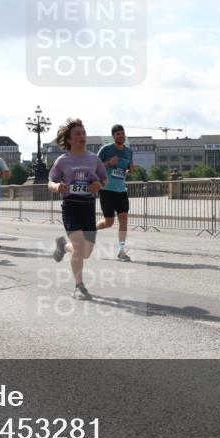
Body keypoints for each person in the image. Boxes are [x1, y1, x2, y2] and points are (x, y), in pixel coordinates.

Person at [48, 118, 107, 301]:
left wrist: (99, 184)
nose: (82, 136)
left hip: (88, 207)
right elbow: (50, 181)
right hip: (71, 206)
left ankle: (63, 246)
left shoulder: (94, 159)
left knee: (86, 252)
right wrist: (57, 186)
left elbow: (104, 180)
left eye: (83, 133)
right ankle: (79, 286)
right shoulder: (62, 161)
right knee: (80, 247)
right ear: (69, 140)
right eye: (77, 134)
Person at [96, 124, 133, 262]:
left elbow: (127, 167)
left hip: (121, 190)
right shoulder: (106, 149)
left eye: (122, 134)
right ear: (113, 136)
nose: (121, 136)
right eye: (118, 134)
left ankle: (121, 250)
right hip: (107, 190)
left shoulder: (129, 151)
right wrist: (109, 163)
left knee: (123, 218)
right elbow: (95, 166)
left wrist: (130, 170)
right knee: (109, 222)